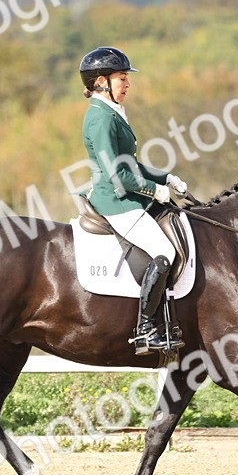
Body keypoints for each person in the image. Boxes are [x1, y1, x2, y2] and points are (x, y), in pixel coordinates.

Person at [79, 46, 189, 355]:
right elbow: (118, 176)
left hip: (127, 195)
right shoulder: (101, 119)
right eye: (122, 78)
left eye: (127, 79)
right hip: (115, 201)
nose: (127, 85)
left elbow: (130, 164)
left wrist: (166, 178)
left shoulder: (110, 113)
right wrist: (155, 192)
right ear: (102, 82)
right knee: (164, 253)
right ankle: (145, 330)